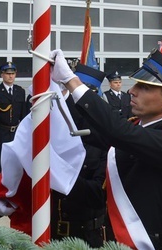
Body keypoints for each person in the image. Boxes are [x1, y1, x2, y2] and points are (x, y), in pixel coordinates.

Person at [52, 49, 162, 250]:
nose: (132, 91)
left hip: (145, 244)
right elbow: (92, 126)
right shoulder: (135, 127)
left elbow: (117, 131)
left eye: (144, 87)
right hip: (114, 242)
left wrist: (72, 81)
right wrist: (57, 97)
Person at [52, 63, 108, 247]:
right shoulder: (53, 135)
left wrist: (60, 174)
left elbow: (98, 193)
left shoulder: (103, 142)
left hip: (87, 235)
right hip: (52, 232)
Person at [0, 61, 29, 217]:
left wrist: (25, 136)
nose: (10, 76)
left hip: (15, 134)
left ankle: (14, 201)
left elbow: (23, 116)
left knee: (16, 168)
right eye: (7, 73)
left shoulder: (19, 91)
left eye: (13, 73)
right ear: (2, 75)